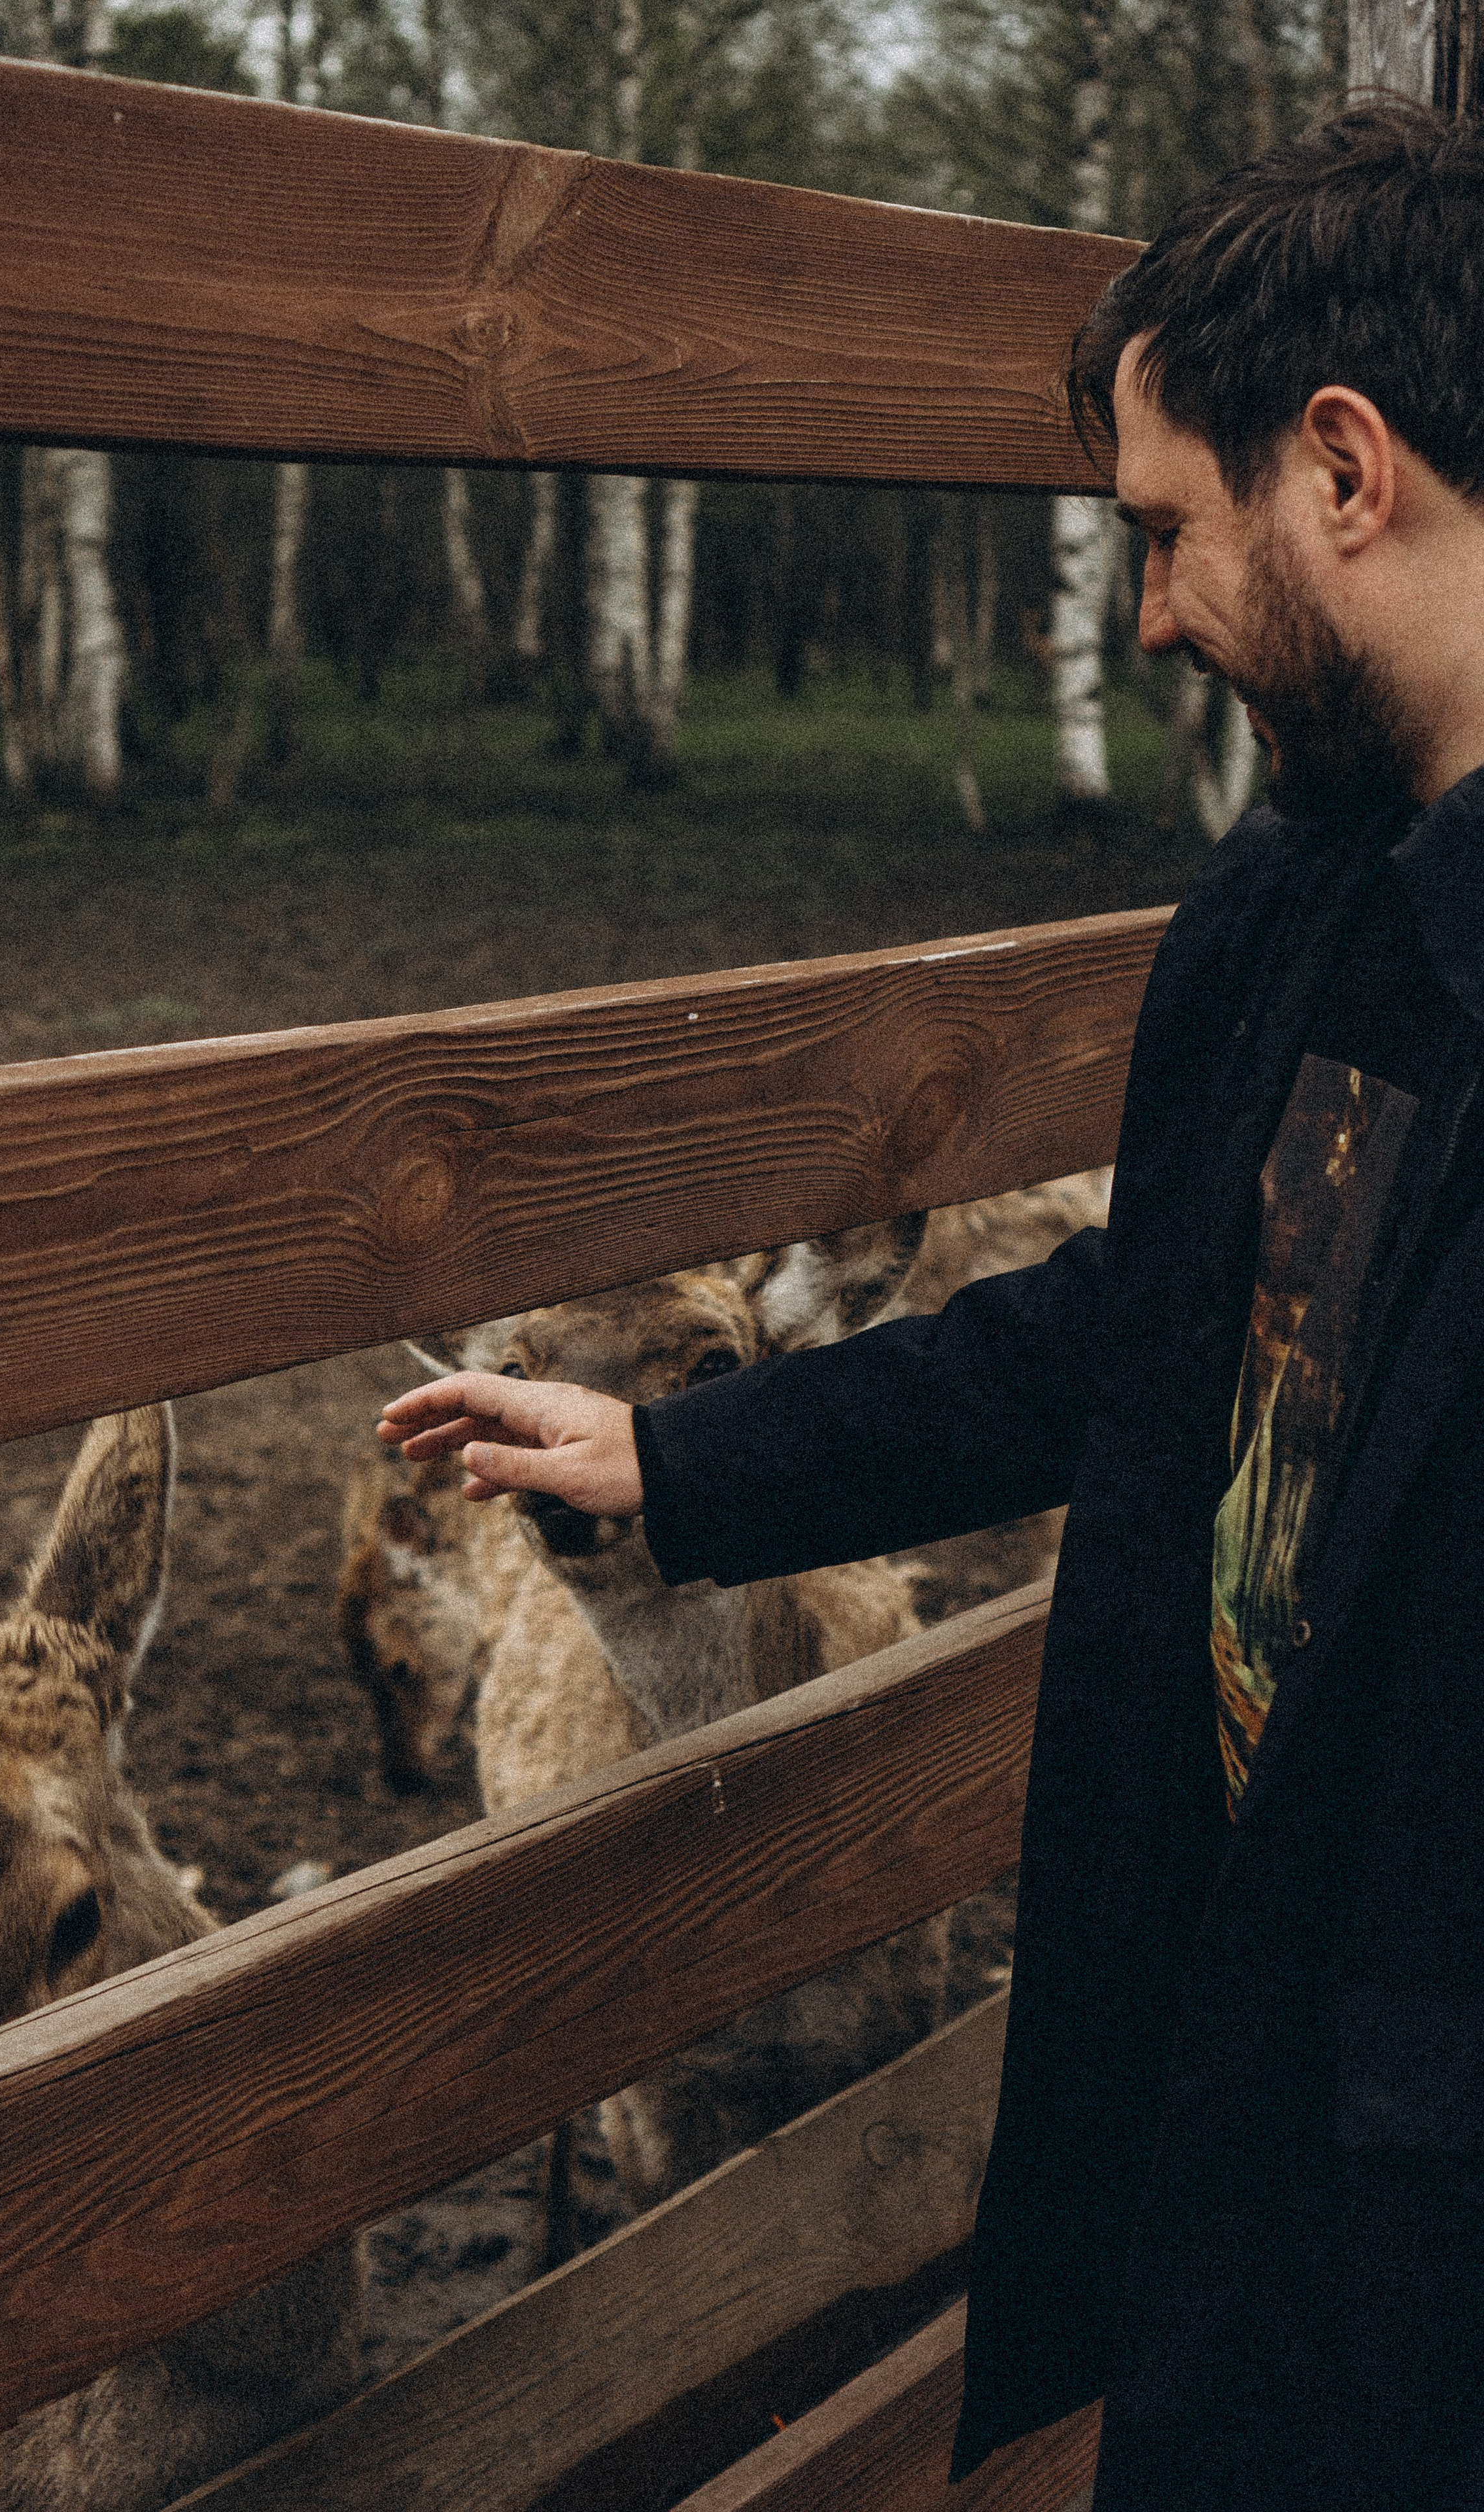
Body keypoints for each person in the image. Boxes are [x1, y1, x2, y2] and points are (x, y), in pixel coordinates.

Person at [381, 104, 1484, 2512]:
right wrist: (682, 1461)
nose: (1152, 616)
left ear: (1347, 469)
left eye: (1166, 533)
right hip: (1231, 2056)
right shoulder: (1300, 899)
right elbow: (1139, 1329)